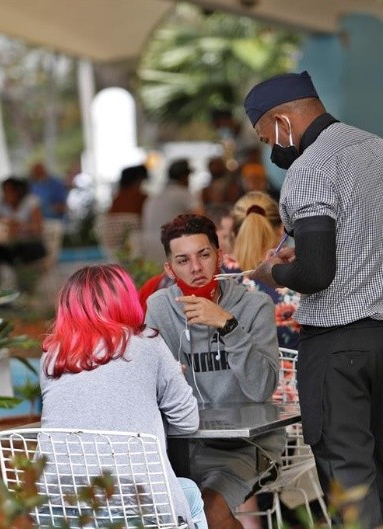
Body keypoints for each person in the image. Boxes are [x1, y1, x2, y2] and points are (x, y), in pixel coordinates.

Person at [243, 71, 383, 528]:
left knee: (348, 478)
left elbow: (315, 274)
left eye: (267, 137)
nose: (271, 148)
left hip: (338, 348)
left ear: (282, 121)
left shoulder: (310, 168)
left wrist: (271, 271)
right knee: (380, 469)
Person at [40, 264, 208, 529]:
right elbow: (188, 422)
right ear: (125, 300)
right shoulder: (148, 344)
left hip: (57, 508)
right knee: (190, 494)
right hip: (138, 505)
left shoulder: (52, 357)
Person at [144, 214, 282, 529]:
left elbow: (261, 389)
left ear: (219, 256)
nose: (196, 267)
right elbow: (152, 388)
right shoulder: (160, 308)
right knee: (158, 512)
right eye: (183, 260)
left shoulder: (255, 306)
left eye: (204, 255)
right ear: (170, 269)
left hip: (249, 445)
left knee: (209, 509)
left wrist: (228, 325)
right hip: (184, 446)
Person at [225, 191, 300, 350]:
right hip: (295, 365)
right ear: (281, 230)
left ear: (232, 233)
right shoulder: (298, 277)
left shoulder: (218, 275)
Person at [0, 176, 47, 268]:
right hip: (9, 244)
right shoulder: (1, 204)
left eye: (9, 190)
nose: (6, 193)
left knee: (15, 253)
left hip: (30, 244)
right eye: (4, 190)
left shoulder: (31, 202)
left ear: (18, 190)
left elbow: (38, 228)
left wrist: (19, 226)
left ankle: (18, 273)